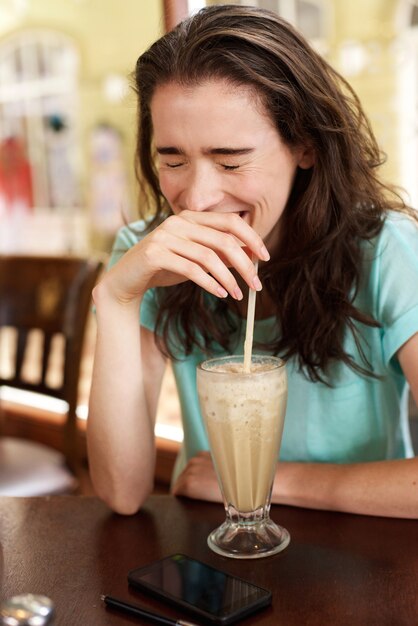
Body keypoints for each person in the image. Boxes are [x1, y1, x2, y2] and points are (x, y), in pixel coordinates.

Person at [87, 4, 418, 518]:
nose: (196, 198)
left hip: (364, 555)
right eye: (172, 159)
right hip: (211, 553)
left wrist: (272, 482)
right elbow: (121, 492)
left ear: (304, 147)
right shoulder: (147, 252)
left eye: (231, 161)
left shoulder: (385, 249)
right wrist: (116, 297)